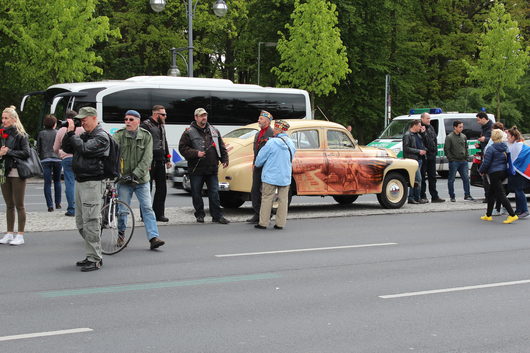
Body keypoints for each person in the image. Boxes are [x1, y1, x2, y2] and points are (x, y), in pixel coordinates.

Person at [62, 107, 110, 272]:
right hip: (81, 181)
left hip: (93, 183)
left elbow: (84, 149)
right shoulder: (85, 135)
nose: (82, 122)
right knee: (81, 222)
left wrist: (71, 134)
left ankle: (95, 258)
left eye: (84, 119)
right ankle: (91, 253)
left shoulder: (101, 137)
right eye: (80, 120)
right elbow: (68, 148)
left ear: (94, 118)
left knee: (91, 221)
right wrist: (70, 132)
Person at [113, 110, 165, 250]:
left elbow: (147, 158)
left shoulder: (146, 136)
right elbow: (112, 154)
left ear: (138, 121)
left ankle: (153, 237)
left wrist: (135, 174)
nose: (127, 122)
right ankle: (121, 234)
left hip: (141, 180)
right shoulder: (118, 136)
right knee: (122, 210)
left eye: (131, 119)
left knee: (147, 208)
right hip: (124, 181)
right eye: (126, 119)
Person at [179, 107, 230, 224]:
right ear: (196, 117)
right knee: (196, 193)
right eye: (201, 115)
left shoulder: (214, 130)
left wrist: (224, 159)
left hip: (212, 167)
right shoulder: (188, 132)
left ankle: (217, 216)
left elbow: (221, 146)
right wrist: (196, 153)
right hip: (196, 168)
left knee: (214, 193)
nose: (204, 118)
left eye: (205, 115)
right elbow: (182, 149)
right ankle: (199, 214)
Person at [254, 120, 296, 230]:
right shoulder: (291, 143)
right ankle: (280, 223)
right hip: (285, 176)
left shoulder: (271, 142)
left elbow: (259, 160)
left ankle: (263, 223)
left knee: (267, 198)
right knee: (283, 200)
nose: (273, 130)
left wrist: (257, 165)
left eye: (275, 128)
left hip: (270, 176)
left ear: (278, 130)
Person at [0, 106, 30, 246]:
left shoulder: (21, 135)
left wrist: (9, 151)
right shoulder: (1, 133)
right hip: (4, 171)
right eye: (2, 118)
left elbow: (26, 153)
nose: (3, 120)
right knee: (9, 205)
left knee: (19, 205)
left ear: (13, 119)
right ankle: (9, 233)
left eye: (6, 118)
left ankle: (20, 235)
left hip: (17, 171)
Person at [478, 129, 518, 224]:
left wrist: (481, 171)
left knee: (500, 194)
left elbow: (486, 162)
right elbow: (508, 159)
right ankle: (488, 215)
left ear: (493, 137)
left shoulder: (491, 148)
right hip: (503, 171)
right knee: (491, 194)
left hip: (494, 173)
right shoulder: (505, 147)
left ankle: (512, 215)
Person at [140, 105, 172, 222]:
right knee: (146, 189)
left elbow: (165, 142)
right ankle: (145, 215)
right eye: (163, 114)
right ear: (156, 114)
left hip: (160, 160)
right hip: (149, 161)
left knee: (162, 188)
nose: (165, 117)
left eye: (165, 114)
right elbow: (142, 145)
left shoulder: (161, 125)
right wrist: (144, 162)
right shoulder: (145, 125)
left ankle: (159, 214)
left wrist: (168, 158)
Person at [54, 109, 84, 216]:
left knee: (70, 184)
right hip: (80, 158)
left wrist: (61, 154)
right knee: (80, 183)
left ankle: (72, 209)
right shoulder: (82, 129)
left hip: (67, 159)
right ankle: (82, 207)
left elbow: (55, 148)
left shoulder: (62, 130)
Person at [247, 110, 274, 224]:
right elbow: (256, 151)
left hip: (267, 166)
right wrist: (254, 163)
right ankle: (258, 213)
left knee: (266, 192)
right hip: (258, 166)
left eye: (261, 119)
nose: (258, 120)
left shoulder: (271, 133)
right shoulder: (258, 134)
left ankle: (267, 213)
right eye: (259, 118)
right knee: (255, 191)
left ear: (267, 121)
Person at [444, 120, 474, 202]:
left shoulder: (463, 136)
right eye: (460, 127)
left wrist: (466, 157)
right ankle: (452, 196)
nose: (462, 128)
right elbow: (447, 149)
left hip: (463, 161)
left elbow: (466, 147)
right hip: (454, 161)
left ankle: (467, 195)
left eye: (462, 127)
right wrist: (451, 159)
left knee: (466, 178)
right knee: (451, 179)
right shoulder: (449, 137)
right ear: (455, 127)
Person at [37, 114, 62, 212]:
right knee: (57, 181)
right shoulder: (58, 132)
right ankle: (58, 203)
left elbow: (39, 147)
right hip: (57, 158)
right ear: (54, 124)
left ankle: (50, 205)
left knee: (47, 183)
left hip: (45, 159)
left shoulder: (41, 133)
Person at [419, 113, 444, 203]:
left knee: (432, 177)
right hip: (424, 156)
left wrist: (435, 151)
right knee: (422, 177)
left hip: (431, 155)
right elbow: (420, 141)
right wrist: (422, 133)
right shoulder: (419, 127)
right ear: (422, 118)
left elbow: (434, 140)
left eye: (429, 118)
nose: (429, 120)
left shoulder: (431, 127)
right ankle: (422, 196)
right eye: (427, 118)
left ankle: (435, 196)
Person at [402, 119, 427, 204]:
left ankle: (414, 198)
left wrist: (423, 150)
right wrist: (418, 151)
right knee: (417, 179)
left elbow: (422, 143)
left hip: (419, 159)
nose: (421, 127)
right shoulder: (407, 135)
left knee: (415, 179)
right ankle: (414, 197)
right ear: (414, 126)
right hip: (412, 160)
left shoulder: (418, 135)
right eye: (419, 126)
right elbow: (406, 148)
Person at [506, 126, 528, 218]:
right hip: (517, 171)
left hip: (519, 171)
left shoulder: (517, 145)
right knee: (517, 191)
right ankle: (519, 210)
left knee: (519, 190)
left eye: (508, 136)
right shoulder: (516, 144)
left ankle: (525, 210)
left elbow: (511, 158)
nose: (507, 138)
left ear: (513, 137)